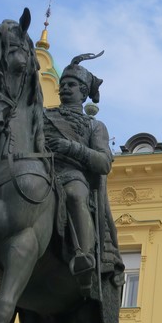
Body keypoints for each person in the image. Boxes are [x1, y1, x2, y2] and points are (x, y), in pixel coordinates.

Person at [44, 52, 124, 294]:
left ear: (83, 91)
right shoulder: (43, 115)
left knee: (77, 194)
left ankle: (84, 256)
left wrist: (72, 147)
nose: (65, 89)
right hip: (40, 170)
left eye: (72, 85)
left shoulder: (94, 126)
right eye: (63, 85)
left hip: (71, 175)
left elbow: (103, 163)